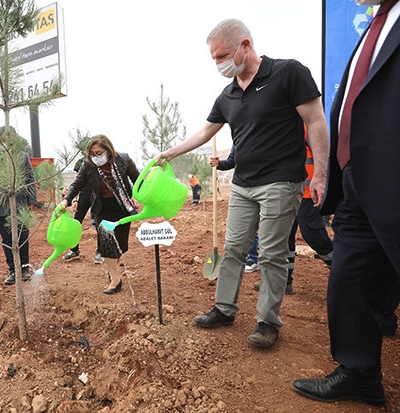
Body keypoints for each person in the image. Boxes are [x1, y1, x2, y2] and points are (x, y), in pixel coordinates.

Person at [156, 19, 329, 348]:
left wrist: (320, 172)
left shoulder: (288, 73)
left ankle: (267, 321)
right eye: (214, 58)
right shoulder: (228, 94)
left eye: (222, 55)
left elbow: (316, 120)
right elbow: (205, 132)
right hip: (243, 184)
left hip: (281, 181)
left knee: (272, 254)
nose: (218, 63)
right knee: (233, 249)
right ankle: (224, 308)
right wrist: (171, 152)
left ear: (245, 45)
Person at [292, 0, 400, 406]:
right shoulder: (375, 25)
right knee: (349, 278)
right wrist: (329, 173)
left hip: (392, 173)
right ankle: (359, 372)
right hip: (355, 178)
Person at [253, 131, 334, 295]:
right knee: (285, 237)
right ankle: (284, 282)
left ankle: (343, 269)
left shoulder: (305, 127)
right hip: (287, 191)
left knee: (313, 234)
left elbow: (324, 153)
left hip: (308, 193)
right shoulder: (280, 128)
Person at [59, 134, 140, 295]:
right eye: (92, 154)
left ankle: (112, 269)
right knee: (106, 242)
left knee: (120, 245)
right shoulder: (88, 165)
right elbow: (77, 184)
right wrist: (66, 200)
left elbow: (138, 180)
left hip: (123, 206)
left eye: (99, 153)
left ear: (108, 151)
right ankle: (115, 279)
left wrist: (137, 196)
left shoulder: (124, 159)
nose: (96, 157)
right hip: (103, 208)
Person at [0, 127, 37, 285]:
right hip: (1, 205)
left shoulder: (23, 156)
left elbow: (30, 179)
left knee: (23, 237)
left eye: (11, 137)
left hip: (21, 204)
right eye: (5, 138)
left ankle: (24, 268)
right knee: (7, 239)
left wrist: (32, 200)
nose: (8, 141)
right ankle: (12, 270)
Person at [210, 146, 259, 273]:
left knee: (268, 229)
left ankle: (265, 261)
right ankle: (252, 258)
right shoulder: (238, 139)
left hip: (268, 185)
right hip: (243, 187)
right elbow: (232, 161)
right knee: (246, 226)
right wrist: (219, 164)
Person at [62, 157, 104, 264]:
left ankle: (100, 252)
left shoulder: (103, 160)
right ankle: (74, 250)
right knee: (76, 222)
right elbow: (77, 182)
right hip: (84, 193)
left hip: (99, 194)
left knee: (99, 224)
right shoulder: (81, 162)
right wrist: (75, 199)